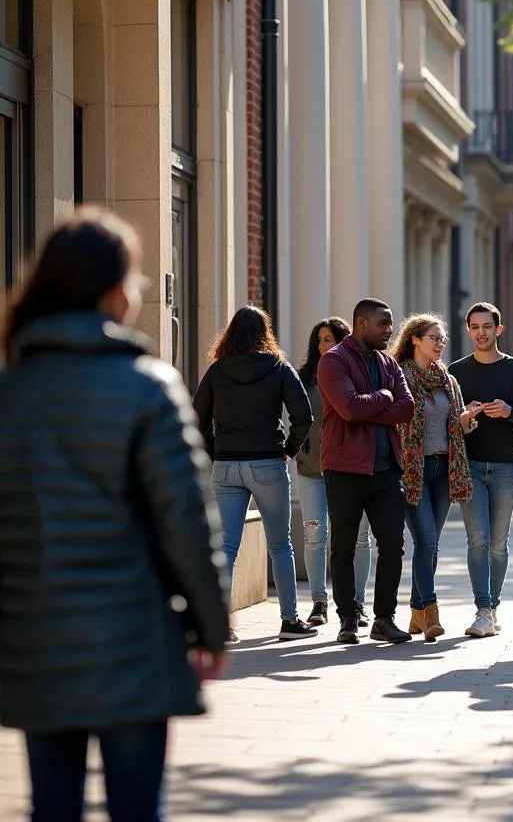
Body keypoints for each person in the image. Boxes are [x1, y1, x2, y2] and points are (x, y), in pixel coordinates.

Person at [0, 208, 229, 821]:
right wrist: (211, 625)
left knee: (51, 805)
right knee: (135, 808)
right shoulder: (146, 385)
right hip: (133, 638)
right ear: (110, 289)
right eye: (133, 277)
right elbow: (186, 521)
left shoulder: (11, 389)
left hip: (34, 639)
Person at [194, 305, 316, 642]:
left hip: (226, 465)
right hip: (267, 464)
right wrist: (289, 449)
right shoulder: (278, 368)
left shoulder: (217, 371)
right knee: (280, 546)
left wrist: (214, 453)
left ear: (231, 333)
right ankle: (290, 622)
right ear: (265, 333)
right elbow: (303, 415)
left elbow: (197, 417)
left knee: (225, 548)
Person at [318, 298, 415, 645]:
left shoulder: (388, 362)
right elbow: (347, 408)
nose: (390, 331)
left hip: (387, 470)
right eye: (383, 324)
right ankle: (347, 620)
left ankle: (384, 619)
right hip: (345, 469)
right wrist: (385, 396)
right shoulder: (333, 361)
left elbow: (407, 408)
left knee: (393, 545)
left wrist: (373, 402)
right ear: (361, 323)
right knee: (343, 547)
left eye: (390, 325)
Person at [449, 301, 513, 637]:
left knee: (498, 542)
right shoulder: (456, 371)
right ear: (468, 330)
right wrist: (465, 418)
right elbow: (449, 422)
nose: (481, 333)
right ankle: (482, 609)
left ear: (498, 330)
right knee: (478, 539)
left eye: (487, 326)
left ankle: (494, 606)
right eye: (475, 327)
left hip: (505, 467)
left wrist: (508, 411)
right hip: (469, 464)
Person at [392, 314, 480, 640]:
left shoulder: (448, 381)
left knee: (431, 544)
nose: (440, 343)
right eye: (433, 337)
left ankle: (416, 612)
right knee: (426, 541)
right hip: (413, 470)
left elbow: (455, 425)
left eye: (442, 339)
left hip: (445, 469)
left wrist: (468, 418)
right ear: (415, 340)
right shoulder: (400, 378)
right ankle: (430, 612)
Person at [296, 316, 352, 626]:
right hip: (311, 467)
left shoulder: (354, 375)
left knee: (356, 538)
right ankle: (319, 601)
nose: (322, 345)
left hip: (347, 468)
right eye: (319, 340)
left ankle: (355, 603)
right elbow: (294, 417)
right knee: (315, 534)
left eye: (328, 339)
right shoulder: (305, 378)